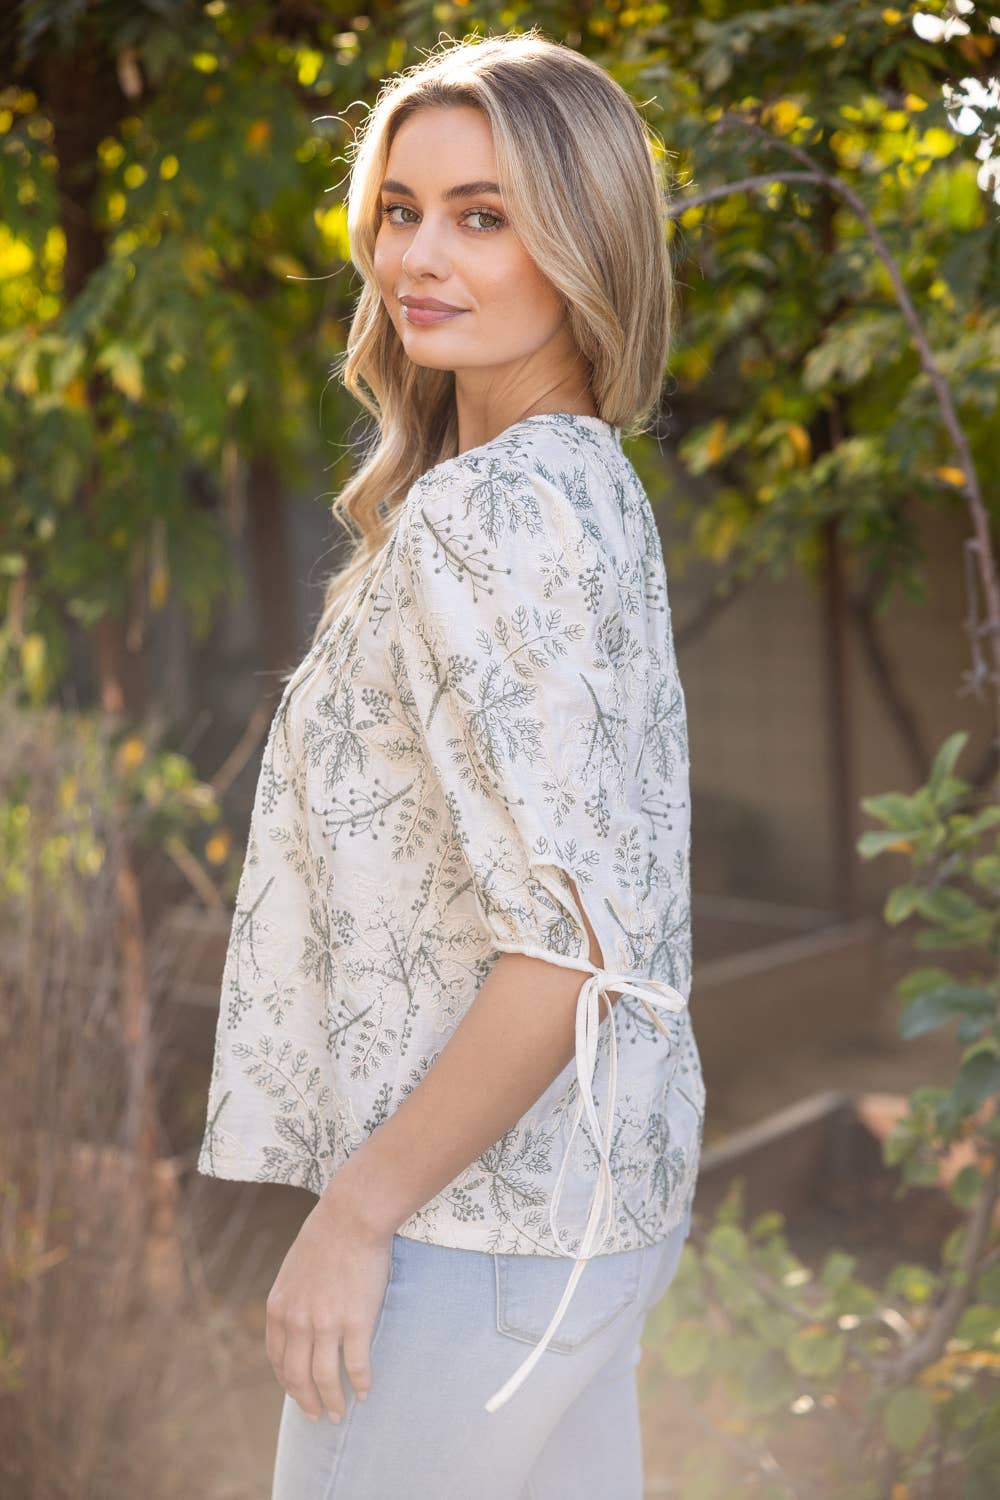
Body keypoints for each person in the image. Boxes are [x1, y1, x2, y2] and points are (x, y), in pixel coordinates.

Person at [197, 26, 706, 1500]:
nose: (417, 256)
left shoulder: (489, 516)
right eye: (402, 210)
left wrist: (355, 1216)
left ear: (584, 244)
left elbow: (568, 948)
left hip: (467, 1237)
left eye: (484, 217)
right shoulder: (591, 484)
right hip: (596, 1215)